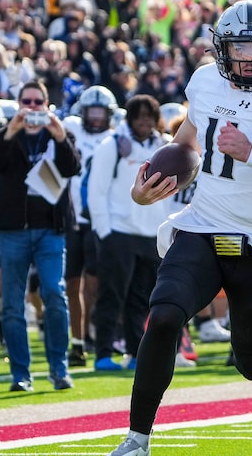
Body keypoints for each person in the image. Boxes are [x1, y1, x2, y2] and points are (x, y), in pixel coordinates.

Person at [110, 0, 252, 455]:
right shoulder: (206, 82)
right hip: (203, 229)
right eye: (239, 46)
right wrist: (152, 185)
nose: (249, 56)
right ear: (221, 48)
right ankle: (137, 440)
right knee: (165, 315)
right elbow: (189, 144)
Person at [0, 81, 81, 392]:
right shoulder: (9, 134)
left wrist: (60, 136)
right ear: (19, 103)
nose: (33, 107)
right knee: (12, 303)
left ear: (48, 105)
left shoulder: (60, 133)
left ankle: (59, 369)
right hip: (13, 230)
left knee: (54, 293)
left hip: (50, 229)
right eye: (27, 101)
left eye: (38, 102)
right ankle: (20, 374)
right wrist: (10, 130)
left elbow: (72, 167)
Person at [87, 94, 171, 372]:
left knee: (141, 299)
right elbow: (96, 191)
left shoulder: (163, 146)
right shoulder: (112, 145)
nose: (145, 121)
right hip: (119, 233)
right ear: (130, 118)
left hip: (150, 234)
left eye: (150, 115)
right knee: (111, 296)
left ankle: (136, 353)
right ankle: (102, 354)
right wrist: (105, 232)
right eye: (140, 115)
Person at [61, 84, 117, 367]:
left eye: (100, 112)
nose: (95, 118)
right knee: (72, 283)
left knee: (94, 284)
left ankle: (91, 333)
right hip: (73, 220)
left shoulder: (115, 137)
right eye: (90, 112)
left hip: (99, 220)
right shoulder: (72, 128)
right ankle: (78, 340)